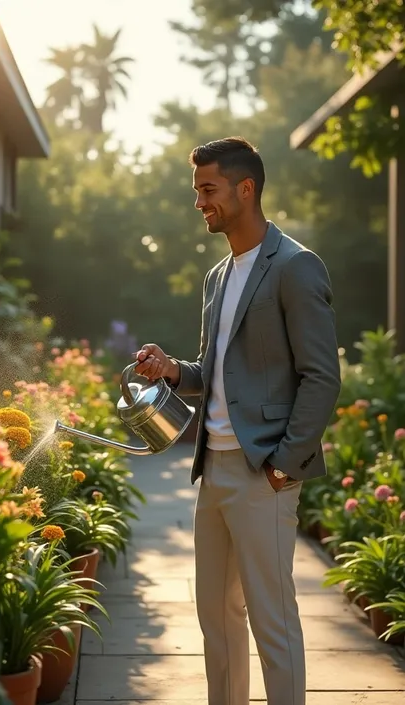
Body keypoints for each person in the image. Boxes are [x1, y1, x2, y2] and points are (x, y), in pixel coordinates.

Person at [134, 136, 341, 705]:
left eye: (208, 190)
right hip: (213, 470)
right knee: (217, 623)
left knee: (273, 625)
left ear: (244, 189)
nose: (200, 202)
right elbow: (217, 369)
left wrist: (283, 465)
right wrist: (174, 370)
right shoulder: (217, 277)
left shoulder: (296, 267)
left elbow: (322, 376)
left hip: (263, 474)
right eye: (197, 190)